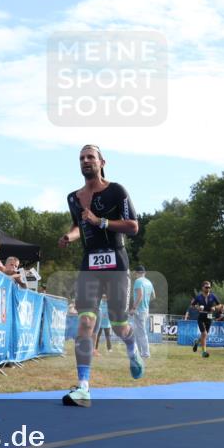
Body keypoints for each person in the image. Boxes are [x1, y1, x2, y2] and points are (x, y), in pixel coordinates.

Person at [57, 144, 142, 407]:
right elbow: (78, 225)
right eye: (81, 158)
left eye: (90, 157)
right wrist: (69, 237)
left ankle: (132, 347)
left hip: (116, 262)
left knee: (118, 324)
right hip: (90, 266)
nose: (85, 161)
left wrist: (101, 222)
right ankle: (83, 388)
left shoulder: (116, 191)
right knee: (85, 323)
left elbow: (133, 226)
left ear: (101, 162)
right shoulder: (73, 197)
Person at [131, 265, 156, 359]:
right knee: (138, 332)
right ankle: (139, 352)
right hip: (146, 309)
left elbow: (140, 295)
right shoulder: (149, 282)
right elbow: (153, 296)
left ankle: (145, 353)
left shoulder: (138, 281)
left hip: (139, 310)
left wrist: (134, 307)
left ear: (137, 273)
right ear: (144, 273)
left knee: (141, 332)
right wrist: (146, 301)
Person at [191, 281, 220, 358]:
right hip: (201, 316)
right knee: (204, 334)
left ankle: (197, 342)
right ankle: (204, 352)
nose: (208, 289)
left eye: (209, 287)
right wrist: (197, 307)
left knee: (205, 335)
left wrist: (214, 307)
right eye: (206, 287)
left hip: (209, 316)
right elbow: (192, 305)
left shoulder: (213, 296)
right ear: (203, 288)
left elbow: (220, 305)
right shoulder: (198, 297)